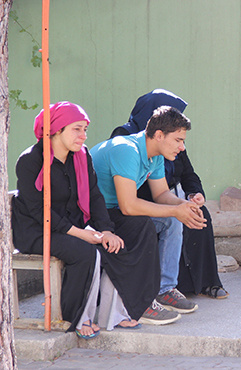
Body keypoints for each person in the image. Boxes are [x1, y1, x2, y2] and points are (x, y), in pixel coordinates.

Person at [12, 102, 160, 338]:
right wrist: (82, 233)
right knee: (86, 251)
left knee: (136, 228)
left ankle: (117, 313)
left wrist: (107, 229)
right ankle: (78, 316)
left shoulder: (81, 157)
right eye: (77, 129)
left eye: (85, 130)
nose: (83, 135)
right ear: (57, 129)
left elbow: (93, 196)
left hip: (72, 225)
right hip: (36, 230)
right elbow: (38, 209)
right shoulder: (31, 161)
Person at [91, 105, 205, 323]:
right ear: (159, 135)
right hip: (94, 215)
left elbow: (161, 193)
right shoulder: (127, 149)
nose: (182, 148)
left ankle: (164, 289)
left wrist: (184, 205)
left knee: (172, 220)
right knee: (145, 224)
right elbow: (128, 207)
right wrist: (175, 210)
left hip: (114, 210)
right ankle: (142, 302)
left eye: (183, 141)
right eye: (178, 140)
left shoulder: (156, 154)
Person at [110, 89, 227, 299]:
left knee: (199, 215)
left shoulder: (173, 141)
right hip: (134, 200)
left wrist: (193, 195)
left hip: (163, 195)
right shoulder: (126, 139)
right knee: (171, 219)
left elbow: (187, 175)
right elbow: (128, 191)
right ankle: (157, 290)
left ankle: (202, 283)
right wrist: (173, 208)